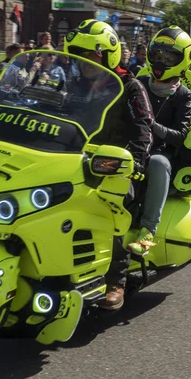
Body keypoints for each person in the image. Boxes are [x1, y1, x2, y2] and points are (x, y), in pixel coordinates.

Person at [63, 20, 154, 310]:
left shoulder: (129, 87)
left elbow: (144, 128)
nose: (83, 62)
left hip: (115, 165)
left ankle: (116, 281)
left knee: (111, 210)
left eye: (89, 55)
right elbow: (56, 114)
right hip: (76, 160)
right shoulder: (74, 84)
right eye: (78, 54)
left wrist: (135, 162)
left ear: (106, 55)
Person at [129, 25, 191, 258]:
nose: (161, 61)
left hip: (161, 152)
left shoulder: (183, 94)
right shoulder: (140, 82)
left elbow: (182, 135)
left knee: (156, 163)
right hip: (135, 144)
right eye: (157, 54)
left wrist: (152, 126)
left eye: (168, 57)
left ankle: (147, 231)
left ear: (183, 59)